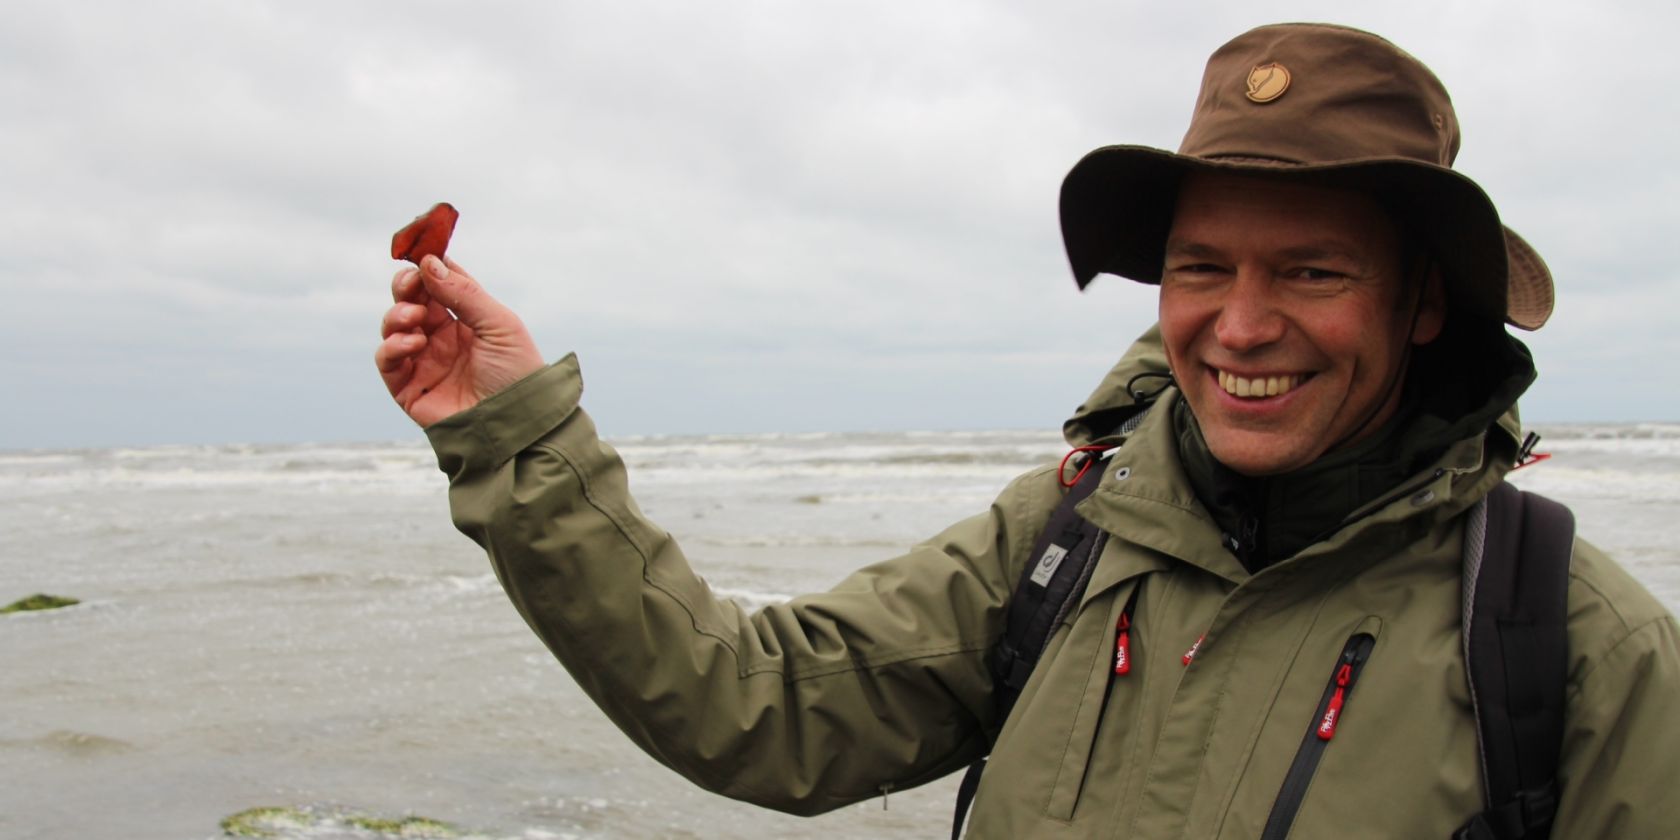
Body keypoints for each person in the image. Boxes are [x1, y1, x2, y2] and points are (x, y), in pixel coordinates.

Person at [375, 23, 1680, 838]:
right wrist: (516, 435)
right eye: (1200, 266)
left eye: (1315, 272)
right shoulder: (1065, 538)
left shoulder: (1567, 648)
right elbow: (755, 707)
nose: (1240, 324)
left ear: (1424, 304)